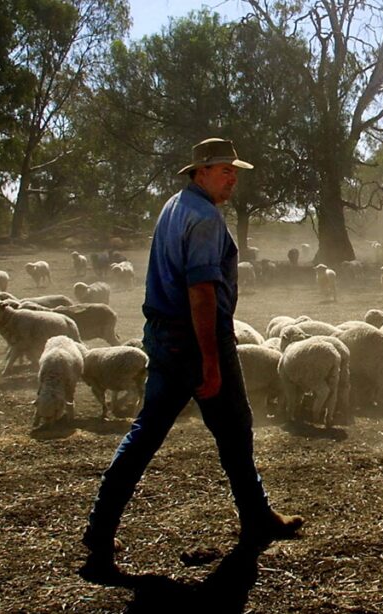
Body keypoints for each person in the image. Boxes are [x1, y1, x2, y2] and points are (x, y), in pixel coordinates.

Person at [79, 138, 303, 583]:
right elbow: (201, 292)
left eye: (234, 170)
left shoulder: (174, 206)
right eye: (223, 170)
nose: (232, 177)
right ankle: (256, 517)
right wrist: (212, 361)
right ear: (200, 172)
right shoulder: (203, 218)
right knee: (235, 429)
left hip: (163, 336)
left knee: (148, 432)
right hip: (196, 340)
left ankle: (99, 529)